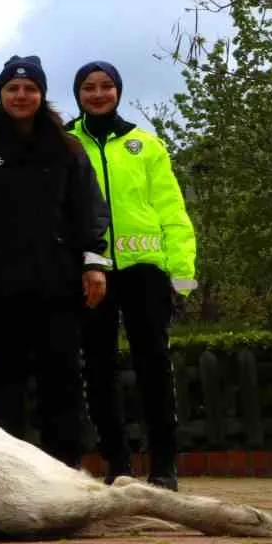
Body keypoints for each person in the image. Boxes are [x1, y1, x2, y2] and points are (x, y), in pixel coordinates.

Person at [0, 55, 111, 469]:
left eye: (30, 89)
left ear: (41, 94)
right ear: (0, 94)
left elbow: (89, 209)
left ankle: (66, 468)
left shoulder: (67, 147)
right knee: (5, 379)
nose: (21, 96)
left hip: (58, 286)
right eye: (13, 89)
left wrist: (94, 264)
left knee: (63, 379)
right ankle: (7, 471)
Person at [67, 61, 196, 491]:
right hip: (91, 270)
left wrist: (182, 276)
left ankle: (164, 466)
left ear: (118, 91)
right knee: (98, 368)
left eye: (106, 86)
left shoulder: (147, 144)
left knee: (154, 365)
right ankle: (118, 464)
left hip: (146, 271)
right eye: (89, 87)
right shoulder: (65, 142)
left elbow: (172, 211)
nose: (98, 94)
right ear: (78, 94)